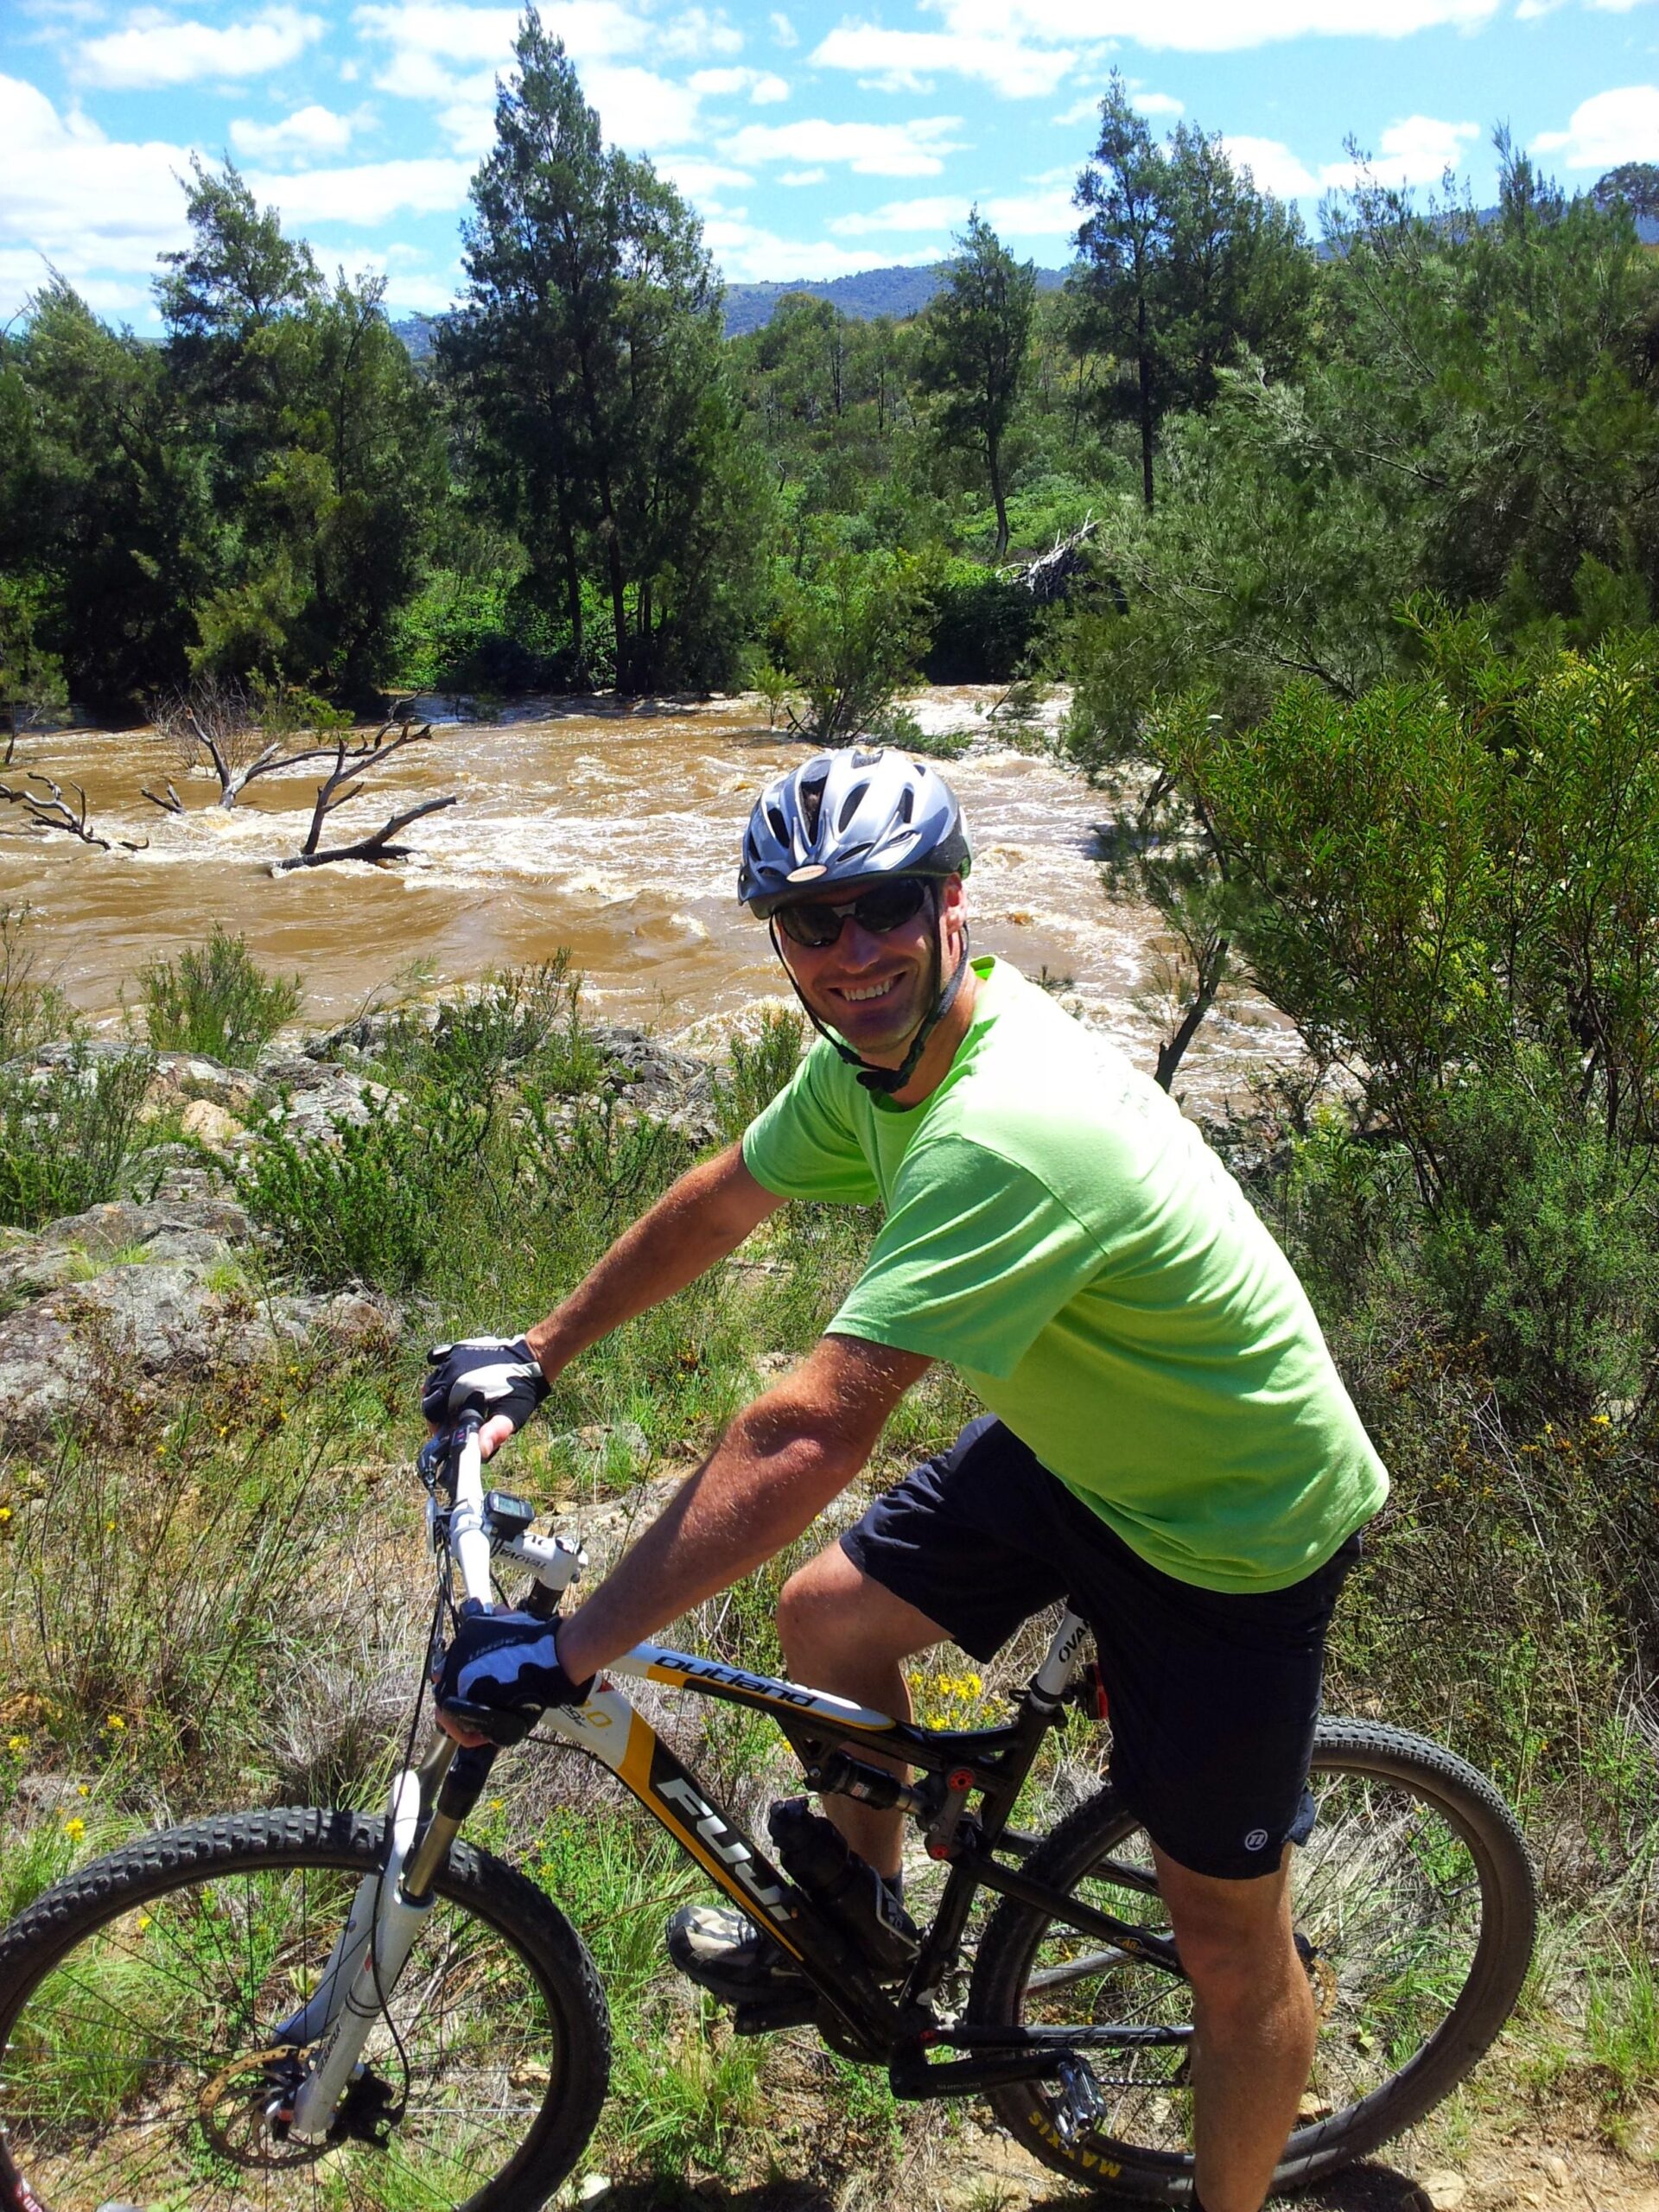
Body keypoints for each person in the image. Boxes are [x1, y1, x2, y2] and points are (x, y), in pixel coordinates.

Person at [423, 746, 1389, 2212]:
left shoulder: (1011, 1122)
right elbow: (728, 1196)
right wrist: (537, 1352)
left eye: (886, 905)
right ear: (780, 945)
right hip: (1086, 1447)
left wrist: (569, 1651)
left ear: (954, 907)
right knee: (830, 1617)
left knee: (1228, 1942)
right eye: (813, 923)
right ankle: (862, 1912)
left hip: (1231, 1521)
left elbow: (805, 1434)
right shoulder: (876, 1063)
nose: (853, 950)